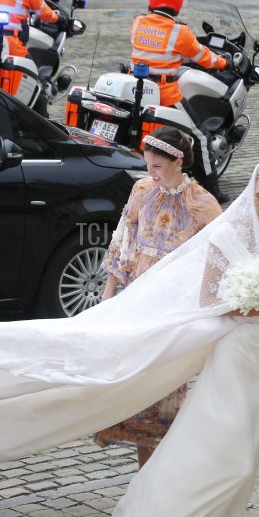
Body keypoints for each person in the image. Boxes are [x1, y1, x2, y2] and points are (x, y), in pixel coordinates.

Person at [102, 157, 259, 517]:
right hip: (237, 353)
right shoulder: (228, 235)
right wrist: (256, 304)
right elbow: (207, 300)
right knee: (224, 453)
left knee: (247, 459)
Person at [95, 129, 221, 468]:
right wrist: (109, 294)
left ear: (178, 161)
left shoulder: (202, 204)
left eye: (158, 166)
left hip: (172, 308)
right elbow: (123, 240)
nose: (151, 173)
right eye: (148, 164)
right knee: (137, 391)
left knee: (164, 396)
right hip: (136, 300)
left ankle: (166, 478)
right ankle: (144, 479)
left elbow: (221, 257)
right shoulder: (142, 190)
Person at [129, 0, 230, 203]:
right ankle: (212, 190)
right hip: (165, 92)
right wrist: (224, 62)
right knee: (201, 137)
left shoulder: (137, 23)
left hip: (136, 89)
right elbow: (203, 57)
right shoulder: (179, 32)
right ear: (178, 3)